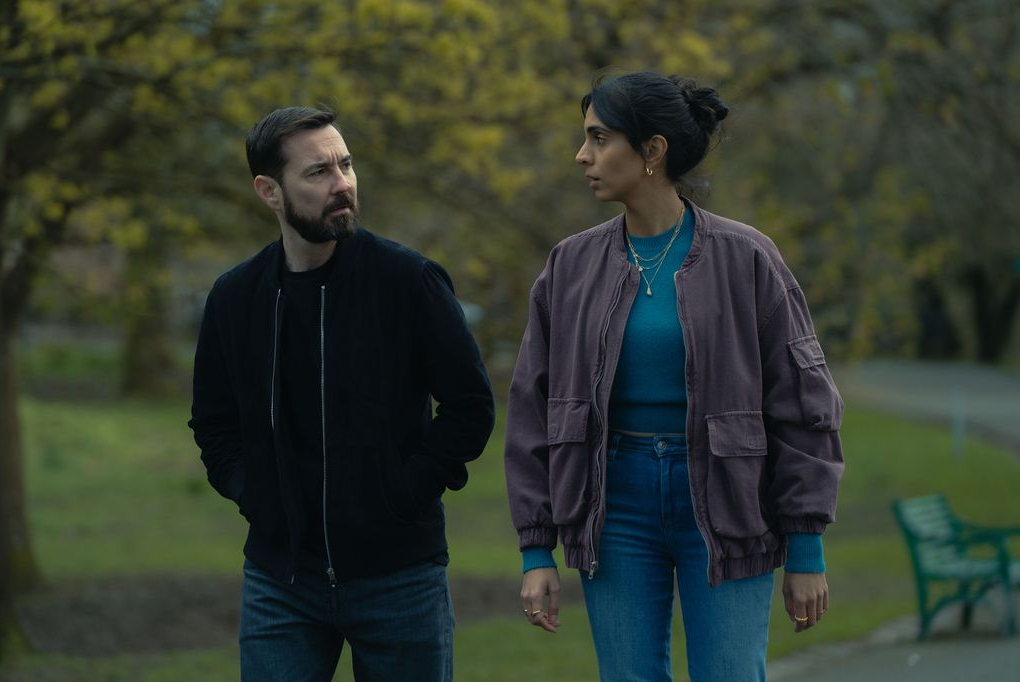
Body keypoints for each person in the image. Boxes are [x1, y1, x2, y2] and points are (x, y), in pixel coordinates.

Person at [504, 72, 845, 681]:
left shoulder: (749, 259)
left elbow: (805, 405)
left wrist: (806, 546)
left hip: (729, 499)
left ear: (652, 152)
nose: (582, 155)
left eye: (599, 138)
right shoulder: (569, 266)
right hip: (614, 505)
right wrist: (537, 548)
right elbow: (531, 409)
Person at [189, 106, 495, 681]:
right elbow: (214, 423)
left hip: (399, 576)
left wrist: (405, 493)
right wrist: (253, 494)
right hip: (280, 582)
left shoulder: (409, 281)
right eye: (318, 173)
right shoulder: (234, 298)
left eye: (346, 165)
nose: (341, 184)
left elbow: (470, 407)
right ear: (268, 190)